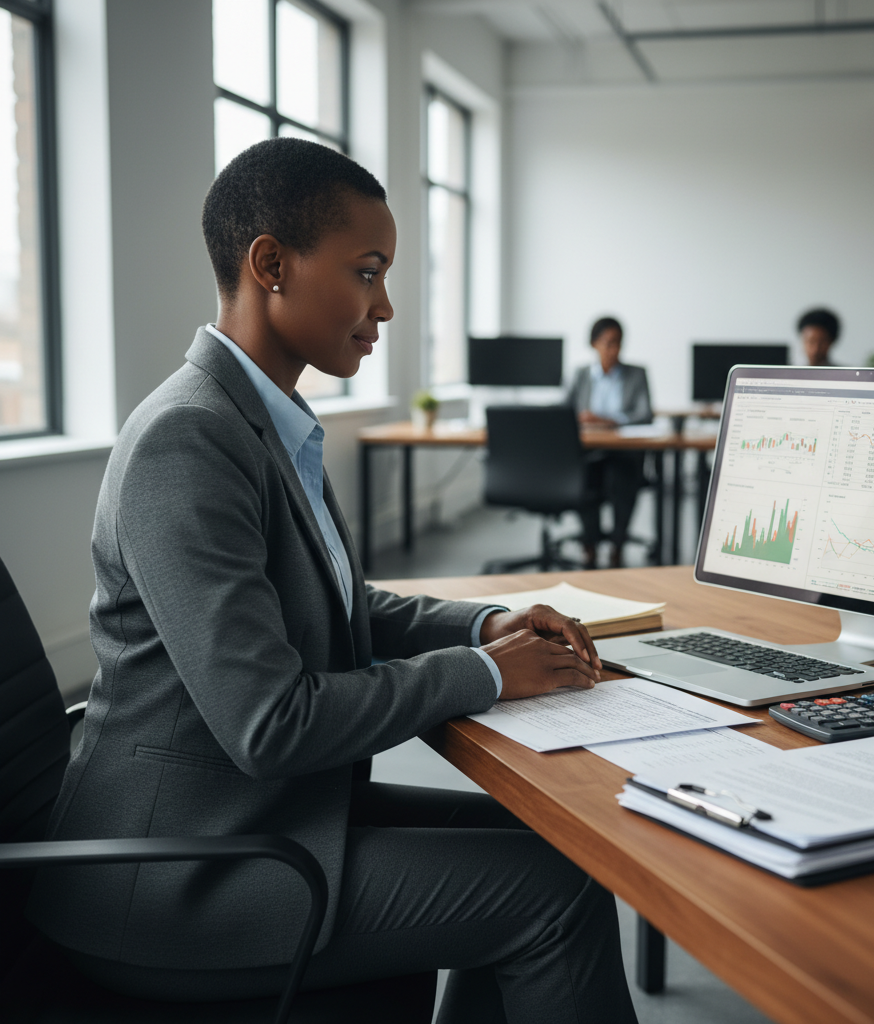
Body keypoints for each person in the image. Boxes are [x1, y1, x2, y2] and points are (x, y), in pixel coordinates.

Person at [28, 139, 637, 1024]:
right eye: (367, 271)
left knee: (555, 845)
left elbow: (345, 608)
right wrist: (491, 676)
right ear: (270, 264)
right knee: (552, 896)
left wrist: (485, 626)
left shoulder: (266, 421)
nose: (384, 305)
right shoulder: (188, 441)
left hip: (254, 820)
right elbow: (271, 724)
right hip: (173, 873)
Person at [565, 316, 652, 569]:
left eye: (618, 343)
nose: (613, 349)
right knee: (584, 480)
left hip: (623, 451)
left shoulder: (636, 374)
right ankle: (589, 545)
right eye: (608, 343)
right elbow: (564, 412)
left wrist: (608, 420)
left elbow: (644, 414)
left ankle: (617, 544)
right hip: (588, 451)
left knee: (622, 478)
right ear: (594, 344)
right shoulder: (580, 375)